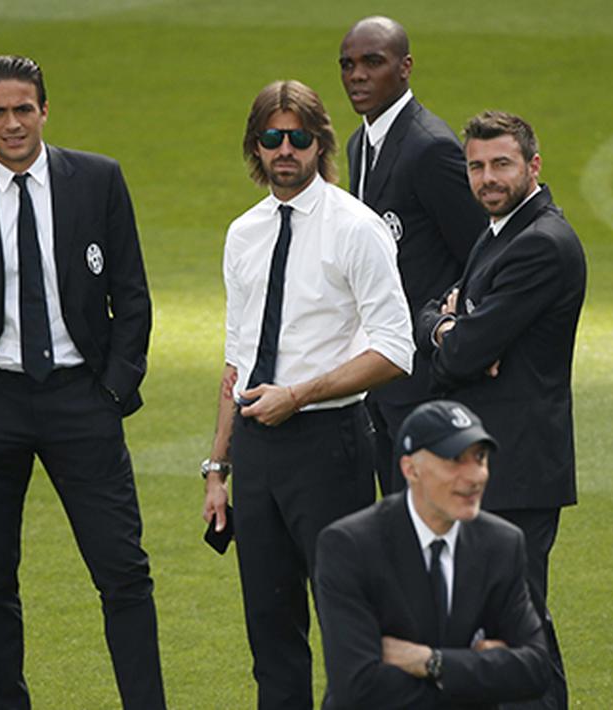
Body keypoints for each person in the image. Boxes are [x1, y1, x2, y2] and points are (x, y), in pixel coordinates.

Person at [0, 55, 163, 709]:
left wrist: (113, 389)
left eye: (24, 109)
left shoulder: (97, 181)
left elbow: (132, 296)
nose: (12, 124)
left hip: (82, 399)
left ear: (45, 110)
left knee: (123, 572)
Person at [201, 80, 414, 709]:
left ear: (321, 144)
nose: (285, 150)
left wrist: (299, 394)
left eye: (299, 138)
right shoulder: (244, 233)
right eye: (272, 138)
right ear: (256, 148)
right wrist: (218, 467)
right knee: (270, 638)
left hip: (331, 446)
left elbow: (396, 348)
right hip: (258, 455)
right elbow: (237, 359)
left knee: (351, 626)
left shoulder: (357, 228)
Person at [417, 110, 585, 709]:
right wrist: (448, 323)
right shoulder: (499, 232)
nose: (487, 177)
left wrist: (450, 331)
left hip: (518, 470)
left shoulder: (540, 243)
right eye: (477, 166)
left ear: (533, 166)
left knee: (517, 629)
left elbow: (461, 352)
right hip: (501, 466)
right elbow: (440, 316)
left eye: (501, 164)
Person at [314, 400, 551, 709]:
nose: (475, 476)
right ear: (410, 469)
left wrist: (432, 663)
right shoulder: (349, 546)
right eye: (455, 460)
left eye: (479, 458)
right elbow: (357, 686)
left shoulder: (502, 544)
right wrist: (480, 675)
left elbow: (535, 670)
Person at [339, 16, 486, 494]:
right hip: (374, 370)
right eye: (348, 64)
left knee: (425, 518)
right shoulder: (361, 143)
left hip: (422, 378)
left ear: (405, 68)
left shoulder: (430, 148)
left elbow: (480, 257)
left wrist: (458, 341)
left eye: (372, 63)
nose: (356, 75)